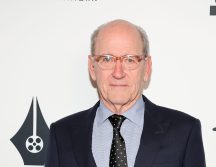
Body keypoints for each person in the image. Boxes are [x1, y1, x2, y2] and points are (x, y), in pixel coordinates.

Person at [45, 19, 206, 167]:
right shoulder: (61, 134)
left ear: (147, 68)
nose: (118, 72)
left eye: (130, 59)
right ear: (92, 67)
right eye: (107, 59)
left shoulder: (184, 132)